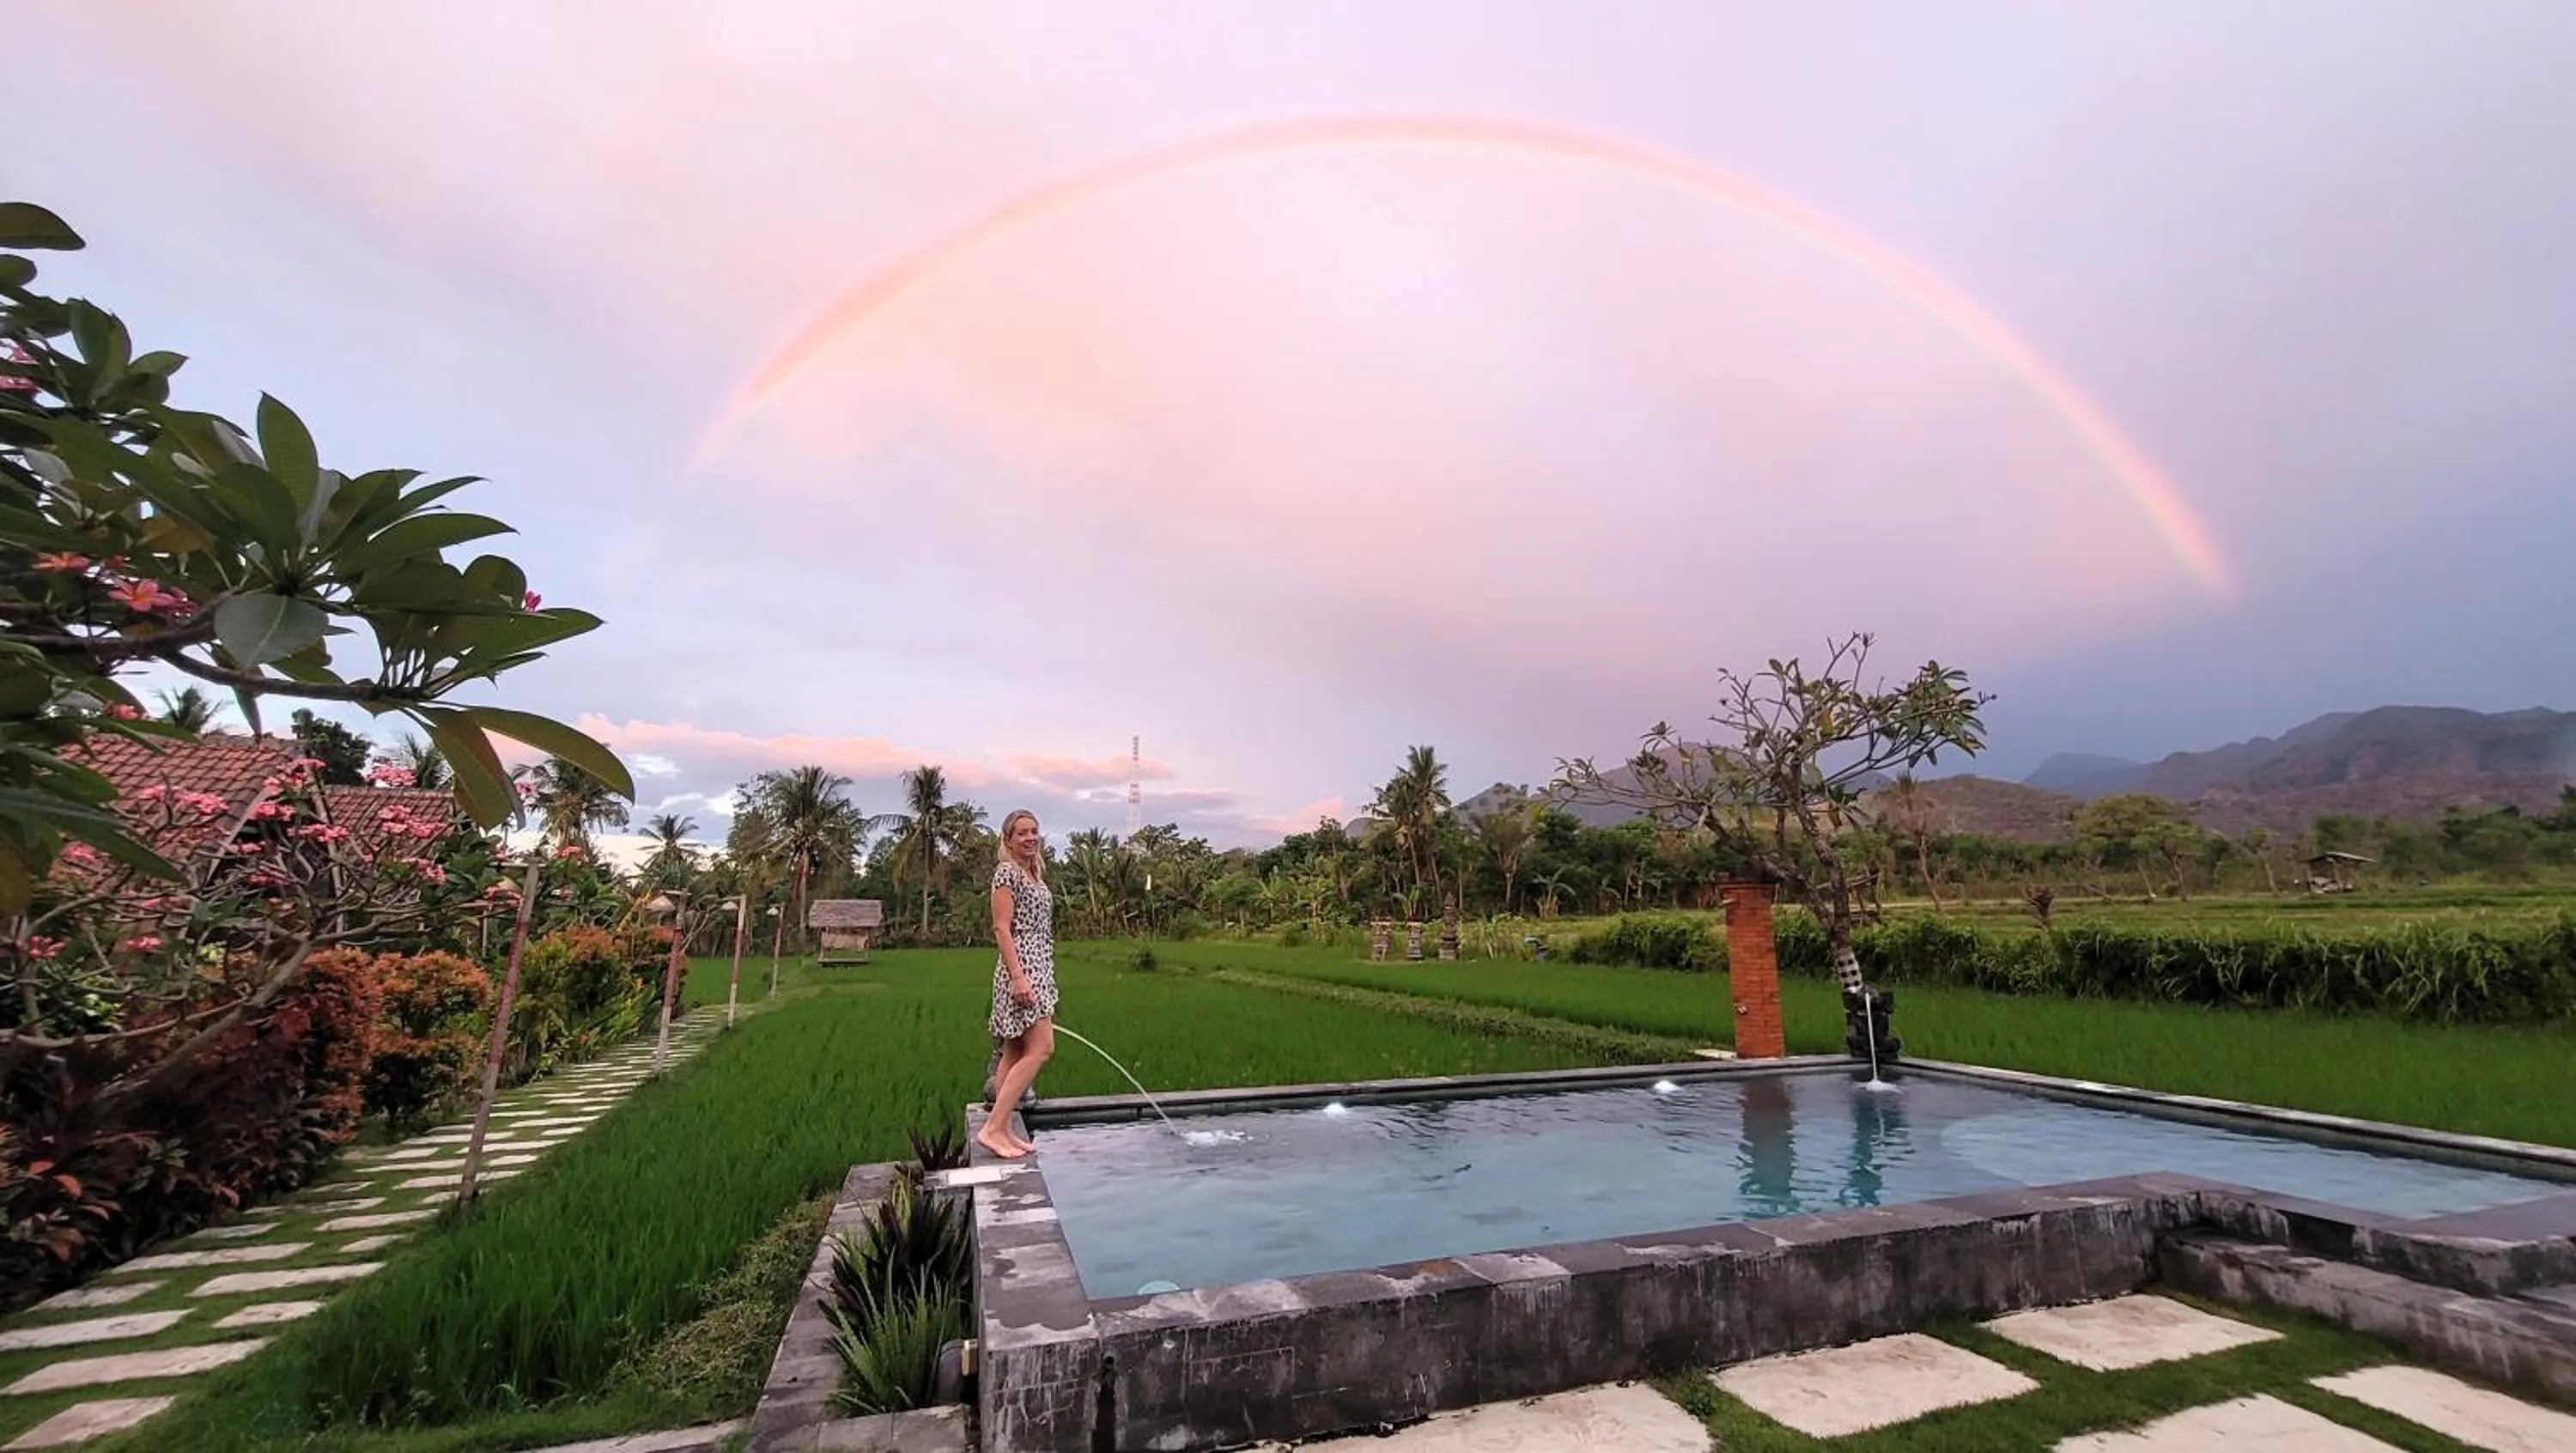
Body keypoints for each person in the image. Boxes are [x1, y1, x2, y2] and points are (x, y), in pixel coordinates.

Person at [978, 809, 1055, 1159]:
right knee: (1041, 1048)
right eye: (1021, 832)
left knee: (1014, 1050)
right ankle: (993, 1128)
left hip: (1038, 965)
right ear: (1008, 839)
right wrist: (1019, 977)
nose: (1030, 837)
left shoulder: (1033, 873)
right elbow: (1001, 928)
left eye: (1034, 831)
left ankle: (1003, 1128)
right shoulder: (1007, 872)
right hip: (1021, 968)